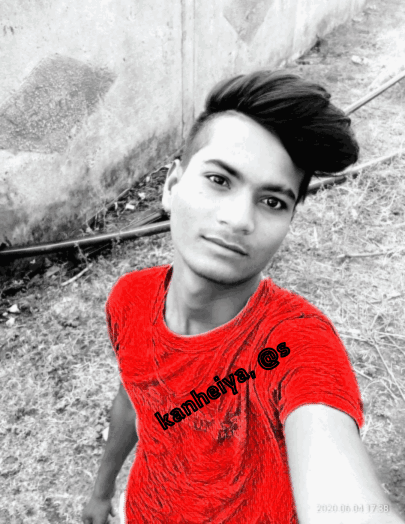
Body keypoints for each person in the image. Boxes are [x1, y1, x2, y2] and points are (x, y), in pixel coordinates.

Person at [82, 70, 404, 524]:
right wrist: (102, 490)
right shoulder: (130, 298)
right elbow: (135, 395)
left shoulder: (297, 346)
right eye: (219, 179)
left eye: (272, 202)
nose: (238, 219)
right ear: (172, 186)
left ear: (289, 222)